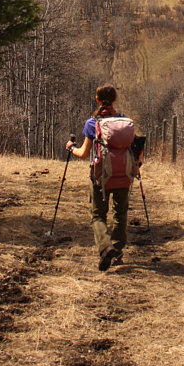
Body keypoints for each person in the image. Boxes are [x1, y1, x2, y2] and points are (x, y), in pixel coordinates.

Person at [66, 84, 134, 272]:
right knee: (120, 214)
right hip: (123, 175)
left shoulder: (92, 123)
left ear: (97, 100)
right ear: (115, 99)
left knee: (98, 214)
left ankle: (105, 246)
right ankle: (117, 252)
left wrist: (71, 147)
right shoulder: (125, 122)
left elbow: (82, 153)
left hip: (100, 177)